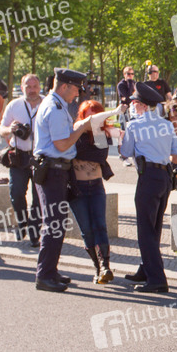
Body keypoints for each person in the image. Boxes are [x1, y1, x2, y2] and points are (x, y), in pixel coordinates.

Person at [33, 68, 94, 293]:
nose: (78, 93)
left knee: (56, 222)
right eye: (77, 88)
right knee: (54, 223)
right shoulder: (56, 108)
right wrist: (82, 127)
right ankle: (45, 275)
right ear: (65, 86)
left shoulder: (54, 104)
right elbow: (61, 144)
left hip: (55, 170)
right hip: (53, 170)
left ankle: (50, 270)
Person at [118, 81, 177, 293]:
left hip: (148, 177)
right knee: (154, 227)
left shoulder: (134, 125)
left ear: (143, 105)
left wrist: (121, 139)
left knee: (145, 229)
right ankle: (146, 269)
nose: (132, 106)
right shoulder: (166, 125)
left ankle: (157, 279)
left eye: (134, 103)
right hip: (164, 176)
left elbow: (125, 152)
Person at [69, 100, 117, 284]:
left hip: (96, 186)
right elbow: (70, 151)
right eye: (88, 116)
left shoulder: (101, 135)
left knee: (100, 225)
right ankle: (97, 267)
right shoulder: (74, 132)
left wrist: (80, 153)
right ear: (82, 117)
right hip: (77, 188)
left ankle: (105, 266)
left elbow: (100, 155)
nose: (92, 120)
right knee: (86, 230)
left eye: (96, 116)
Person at [0, 74, 43, 247]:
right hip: (19, 155)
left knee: (39, 196)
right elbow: (1, 129)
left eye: (35, 86)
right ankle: (21, 222)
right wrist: (10, 129)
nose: (32, 90)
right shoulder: (14, 105)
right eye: (28, 86)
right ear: (21, 87)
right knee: (16, 192)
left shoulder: (47, 104)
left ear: (39, 87)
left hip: (40, 156)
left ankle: (34, 231)